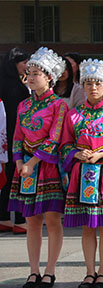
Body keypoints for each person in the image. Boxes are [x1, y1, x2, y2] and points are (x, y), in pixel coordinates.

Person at [60, 59, 103, 288]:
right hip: (82, 174)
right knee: (87, 226)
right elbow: (64, 145)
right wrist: (76, 154)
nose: (93, 88)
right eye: (88, 83)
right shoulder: (73, 115)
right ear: (82, 86)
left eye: (98, 83)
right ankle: (89, 272)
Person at [8, 47, 68, 288]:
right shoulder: (23, 105)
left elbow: (54, 138)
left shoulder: (58, 105)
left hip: (48, 167)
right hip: (26, 170)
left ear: (49, 77)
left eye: (36, 74)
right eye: (29, 73)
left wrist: (32, 162)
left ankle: (50, 270)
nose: (31, 77)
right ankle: (33, 271)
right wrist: (19, 162)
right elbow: (17, 137)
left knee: (52, 220)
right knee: (31, 222)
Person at [0, 48, 30, 234]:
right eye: (24, 62)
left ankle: (3, 217)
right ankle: (20, 219)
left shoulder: (4, 83)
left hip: (4, 140)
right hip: (15, 139)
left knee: (7, 178)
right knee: (18, 177)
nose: (27, 66)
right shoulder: (15, 88)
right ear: (14, 64)